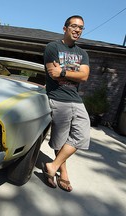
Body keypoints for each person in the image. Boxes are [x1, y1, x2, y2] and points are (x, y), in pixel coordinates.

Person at [42, 15, 90, 192]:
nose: (77, 30)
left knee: (82, 135)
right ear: (65, 28)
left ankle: (52, 166)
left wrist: (62, 71)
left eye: (81, 28)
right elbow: (52, 73)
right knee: (60, 140)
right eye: (74, 26)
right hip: (58, 97)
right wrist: (71, 72)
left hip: (76, 99)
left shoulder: (82, 53)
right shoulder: (53, 47)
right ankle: (64, 173)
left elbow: (84, 76)